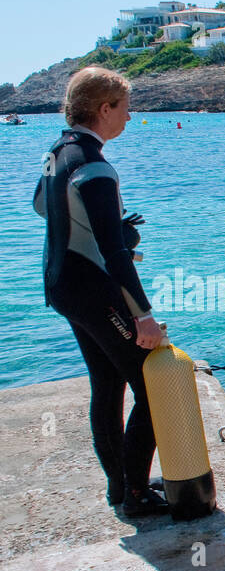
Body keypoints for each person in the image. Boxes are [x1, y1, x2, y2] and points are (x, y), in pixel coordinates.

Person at [33, 67, 166, 516]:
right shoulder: (95, 166)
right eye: (125, 109)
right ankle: (135, 492)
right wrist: (143, 316)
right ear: (103, 108)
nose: (129, 117)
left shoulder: (58, 152)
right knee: (153, 385)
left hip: (61, 284)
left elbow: (41, 206)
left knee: (107, 383)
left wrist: (88, 228)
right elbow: (114, 253)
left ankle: (119, 488)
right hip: (91, 285)